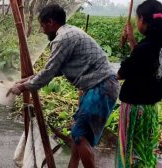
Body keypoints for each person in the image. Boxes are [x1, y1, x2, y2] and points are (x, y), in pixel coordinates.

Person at [7, 4, 119, 168]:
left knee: (80, 136)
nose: (42, 30)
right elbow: (56, 70)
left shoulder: (63, 38)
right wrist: (25, 81)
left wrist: (22, 88)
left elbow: (49, 72)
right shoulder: (70, 32)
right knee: (78, 134)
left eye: (43, 25)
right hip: (99, 86)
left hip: (100, 87)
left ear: (51, 22)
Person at [117, 0, 162, 167]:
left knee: (131, 153)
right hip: (151, 109)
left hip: (135, 110)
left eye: (137, 19)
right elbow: (145, 64)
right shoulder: (156, 45)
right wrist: (131, 40)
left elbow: (122, 74)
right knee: (144, 150)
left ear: (143, 20)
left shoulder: (144, 48)